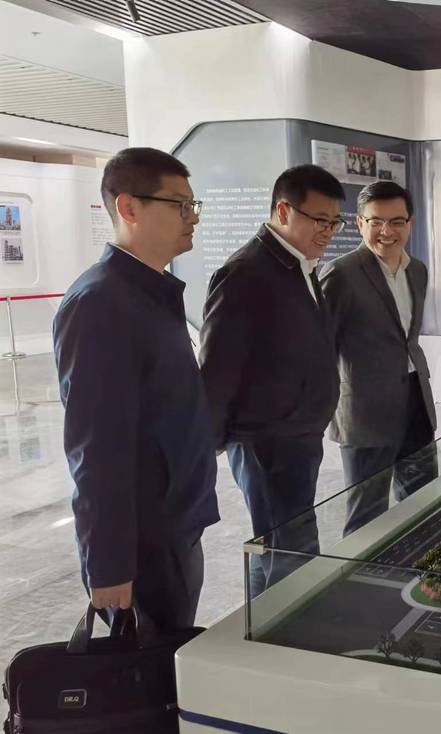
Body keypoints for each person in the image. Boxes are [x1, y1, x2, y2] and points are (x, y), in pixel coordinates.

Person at [53, 147, 218, 630]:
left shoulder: (149, 290)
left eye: (193, 205)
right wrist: (108, 565)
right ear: (129, 208)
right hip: (144, 540)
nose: (192, 218)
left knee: (173, 651)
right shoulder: (100, 303)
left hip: (174, 525)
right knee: (147, 666)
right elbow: (96, 447)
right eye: (179, 205)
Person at [199, 164, 345, 595]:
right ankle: (287, 627)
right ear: (283, 211)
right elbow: (217, 368)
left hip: (297, 434)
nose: (328, 232)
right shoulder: (246, 273)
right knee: (294, 552)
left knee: (278, 546)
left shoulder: (299, 265)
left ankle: (264, 624)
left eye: (334, 223)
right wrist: (212, 441)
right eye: (319, 221)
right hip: (266, 439)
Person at [322, 181, 438, 536]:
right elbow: (321, 347)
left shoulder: (417, 270)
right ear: (360, 223)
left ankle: (415, 565)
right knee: (367, 517)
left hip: (416, 401)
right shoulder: (341, 273)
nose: (387, 232)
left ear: (410, 224)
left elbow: (407, 337)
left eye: (397, 222)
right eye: (376, 222)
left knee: (423, 505)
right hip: (366, 412)